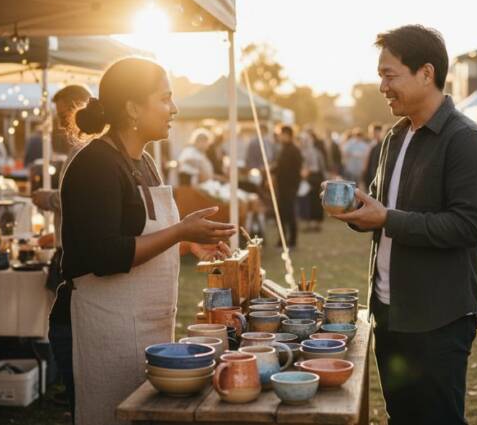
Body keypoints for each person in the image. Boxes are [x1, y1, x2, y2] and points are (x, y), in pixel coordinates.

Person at [329, 25, 477, 424]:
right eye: (380, 76)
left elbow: (466, 227)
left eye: (390, 75)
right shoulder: (395, 137)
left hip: (439, 318)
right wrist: (354, 210)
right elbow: (382, 208)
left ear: (426, 73)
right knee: (401, 417)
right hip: (390, 312)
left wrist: (387, 217)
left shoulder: (466, 141)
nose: (382, 86)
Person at [60, 57, 235, 425]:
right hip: (103, 325)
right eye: (165, 98)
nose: (174, 108)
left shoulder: (145, 161)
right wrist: (180, 232)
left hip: (145, 323)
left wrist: (187, 244)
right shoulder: (95, 165)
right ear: (132, 107)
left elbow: (141, 235)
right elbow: (106, 255)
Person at [27, 84, 91, 418]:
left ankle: (73, 391)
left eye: (62, 111)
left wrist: (48, 198)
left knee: (64, 326)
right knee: (63, 322)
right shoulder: (78, 148)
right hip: (67, 246)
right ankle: (70, 389)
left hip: (74, 252)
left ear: (76, 107)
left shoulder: (85, 149)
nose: (59, 120)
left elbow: (76, 198)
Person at [273, 125, 302, 249]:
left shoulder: (294, 150)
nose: (279, 136)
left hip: (289, 187)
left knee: (289, 214)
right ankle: (282, 240)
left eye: (281, 134)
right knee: (282, 214)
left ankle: (292, 241)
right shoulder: (283, 149)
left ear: (287, 135)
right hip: (282, 186)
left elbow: (292, 169)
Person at [299, 130, 327, 232]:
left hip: (313, 178)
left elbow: (314, 167)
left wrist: (304, 173)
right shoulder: (306, 150)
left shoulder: (312, 151)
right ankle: (312, 223)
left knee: (314, 201)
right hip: (311, 178)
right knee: (310, 201)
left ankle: (315, 223)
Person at [362, 123, 385, 190]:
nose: (372, 134)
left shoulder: (383, 145)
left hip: (378, 174)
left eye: (373, 132)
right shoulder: (372, 144)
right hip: (371, 173)